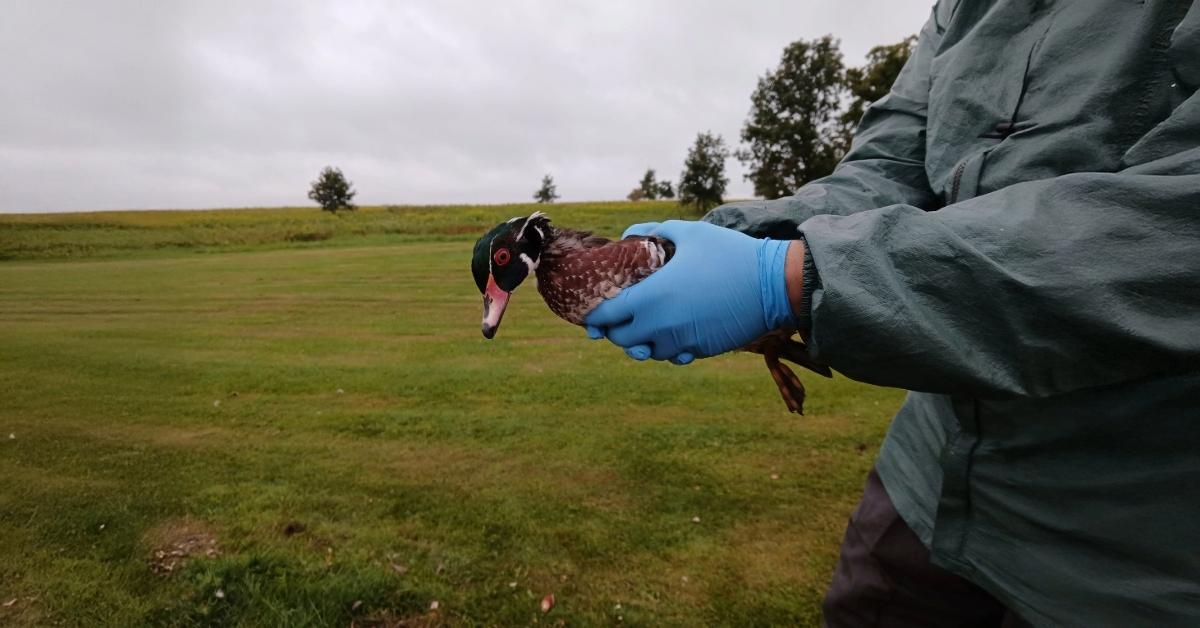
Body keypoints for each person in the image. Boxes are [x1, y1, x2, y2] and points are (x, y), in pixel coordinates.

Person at [584, 1, 1200, 625]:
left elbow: (1170, 235)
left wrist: (792, 277)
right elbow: (888, 167)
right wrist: (726, 242)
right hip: (927, 481)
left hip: (1137, 556)